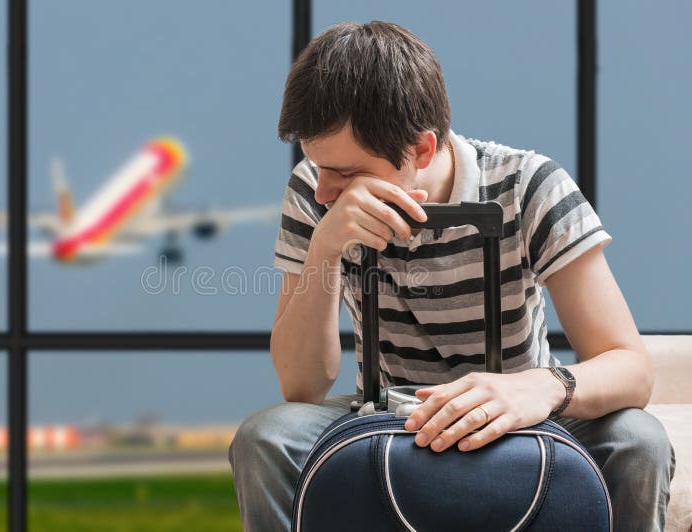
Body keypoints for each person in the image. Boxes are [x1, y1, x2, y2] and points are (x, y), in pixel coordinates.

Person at [229, 20, 675, 532]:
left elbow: (631, 369)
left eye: (348, 174)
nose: (326, 189)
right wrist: (326, 248)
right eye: (317, 165)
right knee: (264, 438)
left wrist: (538, 388)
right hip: (385, 411)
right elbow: (301, 385)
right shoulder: (314, 190)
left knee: (639, 440)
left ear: (420, 149)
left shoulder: (528, 185)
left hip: (519, 411)